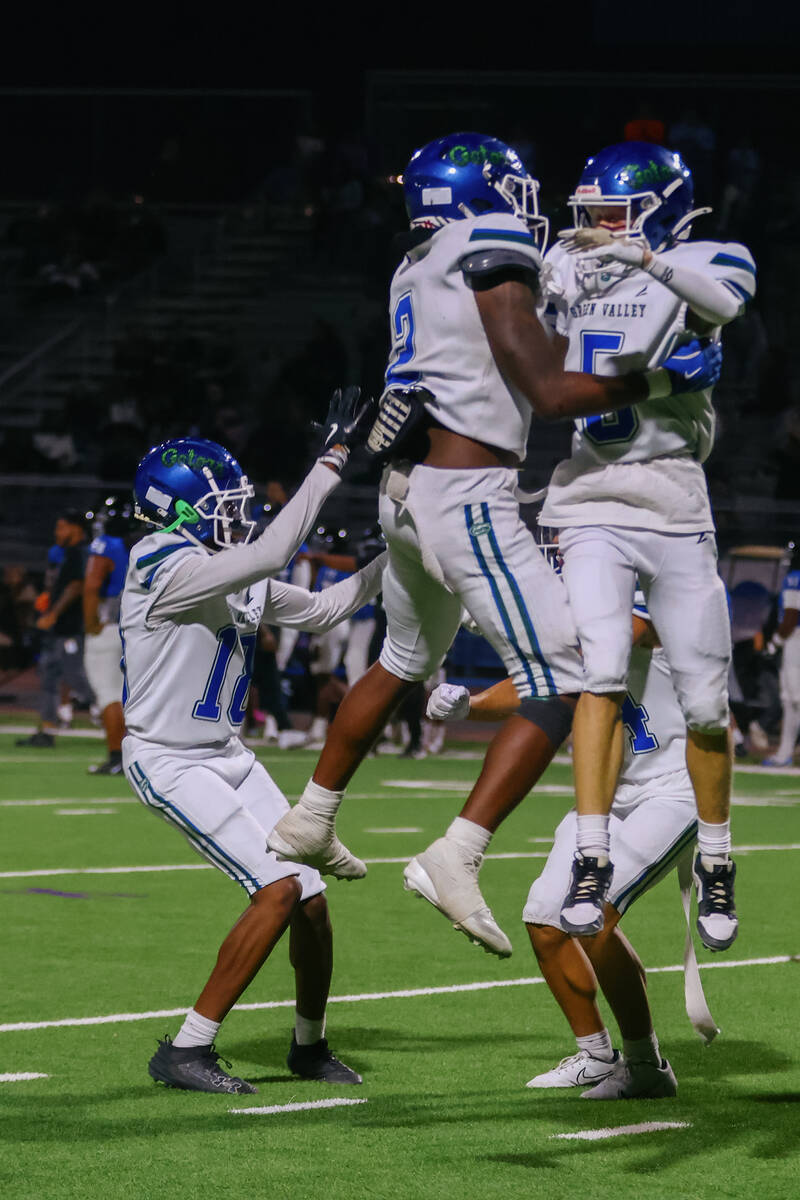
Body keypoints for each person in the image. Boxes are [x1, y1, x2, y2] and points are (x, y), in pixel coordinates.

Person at [265, 131, 721, 960]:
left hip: (405, 493)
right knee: (577, 674)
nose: (529, 209)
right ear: (483, 195)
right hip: (463, 496)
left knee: (402, 660)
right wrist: (661, 379)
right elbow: (547, 389)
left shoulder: (416, 261)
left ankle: (313, 814)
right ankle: (458, 852)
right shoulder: (489, 241)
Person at [120, 391, 383, 1095]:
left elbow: (329, 610)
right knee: (277, 888)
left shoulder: (226, 565)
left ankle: (307, 1046)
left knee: (313, 901)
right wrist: (331, 460)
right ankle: (185, 1049)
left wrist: (399, 556)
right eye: (219, 505)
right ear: (177, 509)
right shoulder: (160, 561)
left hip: (228, 756)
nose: (234, 514)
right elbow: (274, 549)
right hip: (169, 757)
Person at [541, 141, 755, 947]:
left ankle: (718, 853)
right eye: (587, 212)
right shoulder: (564, 265)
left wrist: (641, 255)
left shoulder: (706, 255)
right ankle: (592, 852)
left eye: (610, 212)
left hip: (672, 495)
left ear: (656, 210)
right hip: (590, 493)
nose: (591, 226)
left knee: (704, 703)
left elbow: (725, 303)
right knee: (599, 667)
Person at [426, 596, 717, 1099]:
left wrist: (522, 622)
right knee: (545, 919)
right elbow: (546, 682)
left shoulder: (641, 582)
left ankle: (647, 1066)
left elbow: (619, 637)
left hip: (673, 788)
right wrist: (471, 704)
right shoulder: (586, 596)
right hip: (608, 791)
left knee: (593, 913)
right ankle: (598, 1056)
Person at [17, 509, 92, 748]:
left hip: (70, 628)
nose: (57, 532)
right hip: (58, 629)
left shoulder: (79, 553)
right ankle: (47, 730)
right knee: (49, 678)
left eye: (61, 527)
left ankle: (119, 715)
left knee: (78, 679)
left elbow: (77, 586)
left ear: (75, 528)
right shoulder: (66, 553)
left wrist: (53, 614)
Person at [83, 496, 133, 775]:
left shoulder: (104, 546)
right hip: (128, 628)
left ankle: (117, 756)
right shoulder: (132, 547)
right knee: (121, 695)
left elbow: (92, 586)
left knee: (108, 694)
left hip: (107, 626)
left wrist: (91, 623)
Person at [763, 546, 800, 767]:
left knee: (794, 698)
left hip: (795, 639)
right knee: (789, 699)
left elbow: (791, 617)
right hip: (794, 639)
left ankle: (784, 752)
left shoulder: (795, 578)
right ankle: (784, 751)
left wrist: (773, 644)